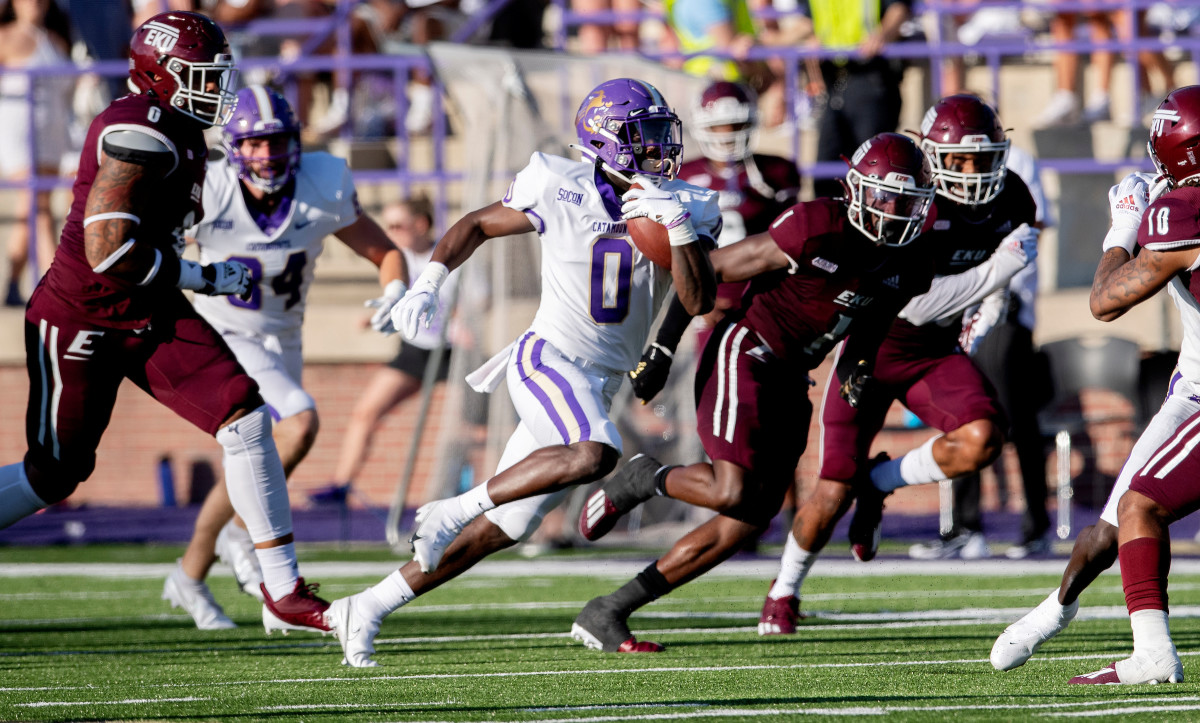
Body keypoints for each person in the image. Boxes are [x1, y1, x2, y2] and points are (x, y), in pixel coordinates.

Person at [322, 78, 720, 667]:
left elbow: (698, 296)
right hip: (548, 357)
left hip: (601, 378)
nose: (661, 148)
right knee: (593, 454)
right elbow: (478, 224)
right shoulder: (558, 183)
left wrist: (680, 232)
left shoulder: (687, 202)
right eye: (644, 136)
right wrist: (430, 281)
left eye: (664, 134)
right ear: (605, 140)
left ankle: (369, 605)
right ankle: (450, 508)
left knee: (505, 528)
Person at [0, 11, 330, 636]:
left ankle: (282, 589)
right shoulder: (139, 132)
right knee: (55, 474)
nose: (217, 90)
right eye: (202, 77)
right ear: (160, 76)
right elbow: (108, 251)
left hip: (147, 307)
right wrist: (204, 278)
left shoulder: (176, 125)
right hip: (83, 315)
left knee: (246, 416)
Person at [574, 131, 940, 652]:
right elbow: (708, 271)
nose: (893, 211)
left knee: (748, 518)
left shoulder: (914, 261)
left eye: (906, 201)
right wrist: (661, 348)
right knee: (731, 491)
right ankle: (644, 476)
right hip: (746, 349)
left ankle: (609, 609)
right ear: (856, 189)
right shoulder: (817, 226)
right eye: (884, 196)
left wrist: (858, 364)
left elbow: (874, 317)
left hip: (794, 374)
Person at [747, 95, 1039, 633]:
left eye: (983, 159)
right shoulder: (910, 203)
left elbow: (986, 285)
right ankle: (784, 589)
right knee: (832, 487)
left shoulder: (1012, 199)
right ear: (930, 156)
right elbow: (908, 301)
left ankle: (880, 481)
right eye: (957, 161)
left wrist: (988, 309)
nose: (972, 174)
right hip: (871, 346)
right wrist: (992, 277)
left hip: (932, 352)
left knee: (983, 438)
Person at [161, 85, 409, 630]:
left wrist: (395, 290)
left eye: (275, 142)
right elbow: (160, 256)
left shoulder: (321, 188)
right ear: (232, 146)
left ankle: (190, 575)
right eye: (253, 144)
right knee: (297, 425)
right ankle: (255, 549)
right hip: (223, 333)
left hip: (283, 338)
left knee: (253, 463)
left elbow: (385, 251)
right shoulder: (211, 189)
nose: (267, 155)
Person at [997, 87, 1200, 685]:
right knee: (1124, 513)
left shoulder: (1183, 212)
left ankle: (1153, 654)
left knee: (1141, 505)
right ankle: (1051, 613)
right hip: (1190, 387)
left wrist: (1123, 226)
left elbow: (1105, 301)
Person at [908, 142, 1053, 561]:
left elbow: (1031, 229)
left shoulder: (1018, 167)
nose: (968, 164)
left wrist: (993, 292)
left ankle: (1035, 527)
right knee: (962, 415)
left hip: (1004, 307)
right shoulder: (932, 172)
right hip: (951, 308)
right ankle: (965, 527)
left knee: (1014, 418)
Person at [628, 80, 800, 402]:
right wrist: (698, 298)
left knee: (776, 396)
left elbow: (790, 244)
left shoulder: (776, 171)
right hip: (705, 303)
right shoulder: (681, 174)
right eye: (718, 126)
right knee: (713, 395)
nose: (727, 134)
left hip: (762, 300)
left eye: (735, 125)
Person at [326, 197, 459, 494]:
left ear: (421, 224)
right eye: (388, 227)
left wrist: (462, 324)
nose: (392, 233)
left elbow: (475, 302)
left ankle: (482, 489)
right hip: (414, 352)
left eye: (398, 226)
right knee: (365, 412)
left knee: (472, 425)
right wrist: (375, 316)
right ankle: (341, 486)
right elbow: (399, 301)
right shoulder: (400, 260)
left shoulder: (449, 258)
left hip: (451, 353)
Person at [790, 0, 912, 198]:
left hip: (870, 76)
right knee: (825, 178)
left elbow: (899, 8)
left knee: (872, 172)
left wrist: (882, 36)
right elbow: (808, 21)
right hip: (833, 78)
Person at [0, 0, 74, 306]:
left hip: (52, 131)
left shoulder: (55, 38)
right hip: (18, 131)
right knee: (39, 209)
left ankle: (13, 284)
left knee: (30, 211)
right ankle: (54, 289)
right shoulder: (4, 36)